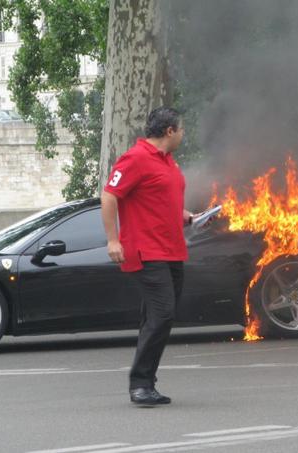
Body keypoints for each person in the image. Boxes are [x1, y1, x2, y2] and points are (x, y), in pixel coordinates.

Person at [101, 107, 196, 406]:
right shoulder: (136, 158)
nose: (183, 134)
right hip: (147, 251)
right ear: (170, 131)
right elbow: (109, 195)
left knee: (157, 316)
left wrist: (182, 215)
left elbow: (155, 200)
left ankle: (145, 382)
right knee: (163, 314)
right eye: (182, 129)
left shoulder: (168, 161)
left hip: (171, 250)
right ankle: (140, 384)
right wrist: (113, 240)